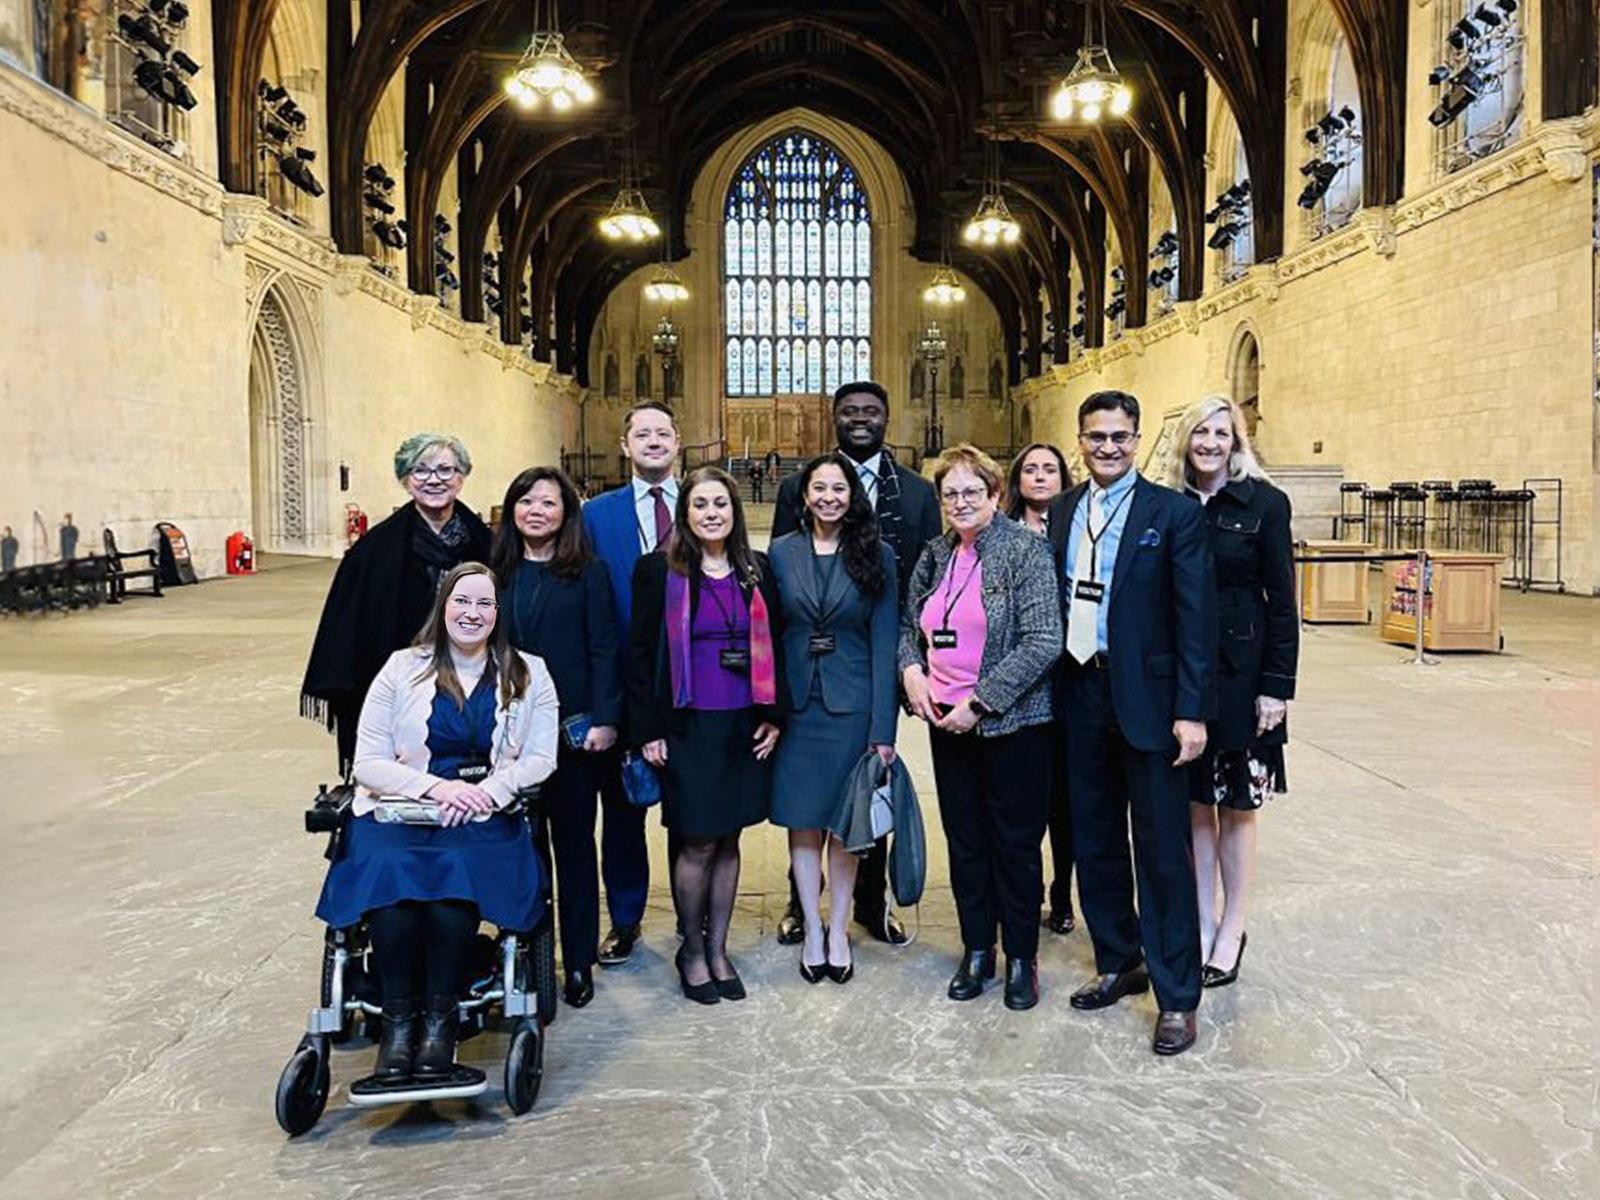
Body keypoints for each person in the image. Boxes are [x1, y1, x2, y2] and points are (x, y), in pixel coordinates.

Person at [316, 562, 559, 1090]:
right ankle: (400, 1024)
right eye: (461, 602)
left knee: (457, 875)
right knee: (388, 872)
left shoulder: (529, 672)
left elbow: (541, 757)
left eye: (484, 604)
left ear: (499, 613)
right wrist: (437, 789)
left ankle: (440, 1023)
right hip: (404, 805)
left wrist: (485, 793)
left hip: (484, 811)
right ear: (443, 606)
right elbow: (369, 761)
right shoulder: (403, 667)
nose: (472, 613)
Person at [1047, 391, 1216, 1057]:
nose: (1108, 447)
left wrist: (1191, 710)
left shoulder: (1172, 513)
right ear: (1080, 441)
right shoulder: (1064, 509)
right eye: (1096, 437)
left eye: (1120, 437)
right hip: (1079, 690)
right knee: (1094, 838)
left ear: (1137, 438)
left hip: (1148, 697)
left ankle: (1177, 996)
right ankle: (1119, 958)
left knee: (1161, 852)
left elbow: (1195, 619)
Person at [772, 381, 941, 947]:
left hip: (877, 658)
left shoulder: (917, 494)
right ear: (835, 418)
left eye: (871, 411)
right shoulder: (796, 490)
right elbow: (777, 593)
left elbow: (926, 582)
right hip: (806, 680)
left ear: (887, 417)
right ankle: (804, 908)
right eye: (850, 411)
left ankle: (871, 904)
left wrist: (912, 666)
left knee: (868, 794)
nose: (861, 419)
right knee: (808, 806)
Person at [899, 445, 1062, 1011]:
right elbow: (908, 625)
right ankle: (977, 949)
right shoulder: (933, 555)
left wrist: (983, 701)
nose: (961, 502)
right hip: (945, 722)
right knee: (965, 841)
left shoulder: (1024, 551)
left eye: (973, 491)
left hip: (1012, 724)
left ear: (995, 494)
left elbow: (1045, 639)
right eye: (950, 494)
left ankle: (1021, 956)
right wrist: (911, 671)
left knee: (1014, 843)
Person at [626, 467, 783, 1005]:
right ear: (685, 513)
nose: (711, 512)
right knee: (698, 840)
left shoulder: (755, 569)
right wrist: (647, 730)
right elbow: (640, 654)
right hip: (687, 725)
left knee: (732, 837)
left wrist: (773, 715)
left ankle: (719, 949)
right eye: (700, 504)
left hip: (742, 721)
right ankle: (690, 950)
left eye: (721, 503)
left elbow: (774, 645)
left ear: (734, 512)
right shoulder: (657, 572)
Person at [1164, 396, 1297, 989]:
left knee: (1237, 806)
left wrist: (1277, 686)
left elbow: (1283, 604)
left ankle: (1232, 927)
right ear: (1185, 439)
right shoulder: (1168, 505)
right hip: (1184, 678)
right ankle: (1199, 922)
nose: (1210, 442)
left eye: (1221, 432)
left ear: (1236, 440)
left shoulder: (1265, 504)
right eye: (1201, 431)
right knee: (1195, 804)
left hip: (1243, 678)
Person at [493, 467, 622, 1010]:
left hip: (571, 735)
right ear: (512, 510)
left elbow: (604, 649)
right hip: (506, 738)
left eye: (548, 502)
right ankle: (526, 955)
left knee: (573, 849)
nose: (537, 511)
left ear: (567, 512)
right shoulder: (492, 573)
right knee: (520, 850)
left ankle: (579, 961)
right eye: (526, 501)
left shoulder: (587, 572)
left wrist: (605, 718)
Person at [769, 454, 898, 985]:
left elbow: (886, 640)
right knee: (803, 820)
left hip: (853, 705)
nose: (828, 497)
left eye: (838, 488)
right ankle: (813, 926)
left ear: (852, 496)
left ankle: (840, 926)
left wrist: (883, 730)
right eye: (818, 487)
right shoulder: (779, 553)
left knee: (847, 825)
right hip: (797, 707)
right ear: (803, 496)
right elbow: (769, 636)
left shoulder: (879, 554)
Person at [302, 434, 492, 774]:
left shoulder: (488, 544)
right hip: (401, 684)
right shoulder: (373, 551)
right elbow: (348, 627)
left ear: (462, 477)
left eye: (446, 470)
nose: (434, 480)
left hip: (474, 679)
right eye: (420, 470)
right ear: (405, 480)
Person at [581, 401, 680, 966]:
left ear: (677, 441)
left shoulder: (704, 504)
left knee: (694, 814)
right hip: (623, 680)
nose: (652, 441)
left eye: (662, 433)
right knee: (623, 811)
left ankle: (696, 921)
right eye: (641, 434)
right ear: (625, 445)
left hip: (691, 684)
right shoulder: (597, 515)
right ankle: (625, 918)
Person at [1005, 442, 1076, 934]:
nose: (1040, 477)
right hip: (1022, 683)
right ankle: (1023, 891)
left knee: (1067, 800)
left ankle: (1063, 890)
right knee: (1028, 797)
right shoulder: (1002, 533)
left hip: (1070, 675)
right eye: (1030, 469)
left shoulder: (1077, 529)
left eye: (1049, 469)